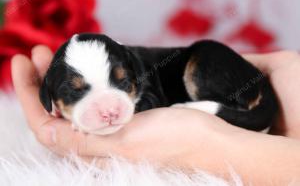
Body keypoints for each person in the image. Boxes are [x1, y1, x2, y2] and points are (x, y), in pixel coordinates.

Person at [11, 45, 300, 185]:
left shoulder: (141, 73)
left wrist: (214, 144)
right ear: (49, 97)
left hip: (239, 92)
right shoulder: (53, 84)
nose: (109, 109)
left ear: (134, 75)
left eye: (122, 83)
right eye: (77, 93)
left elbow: (148, 97)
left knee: (205, 55)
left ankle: (240, 113)